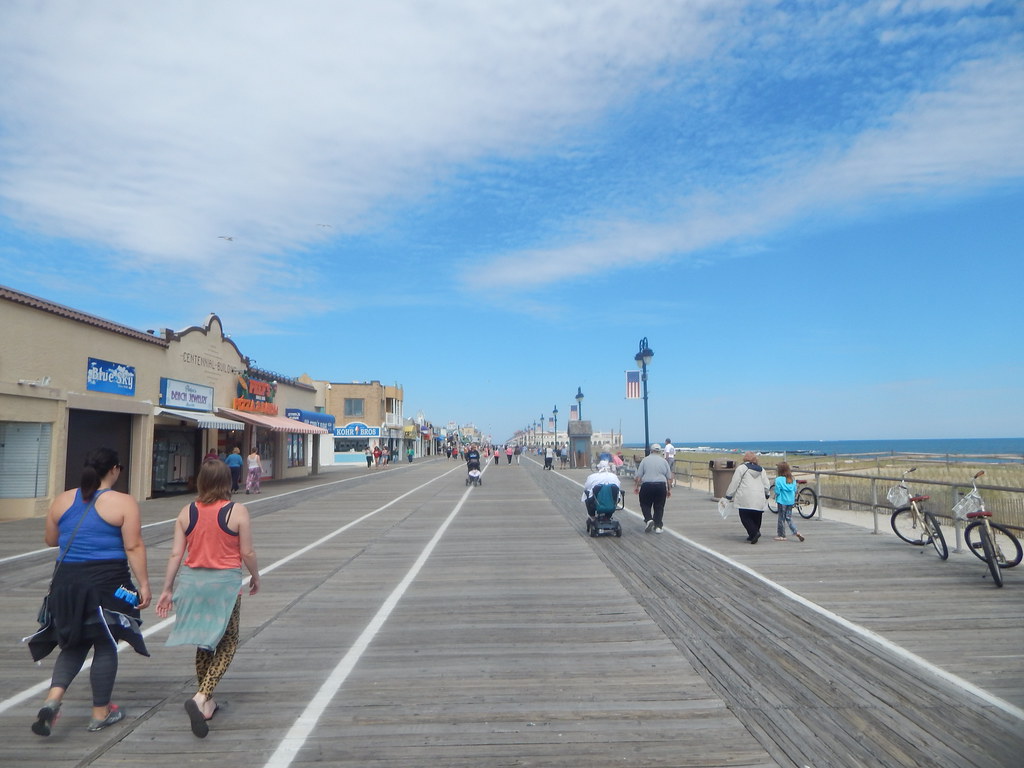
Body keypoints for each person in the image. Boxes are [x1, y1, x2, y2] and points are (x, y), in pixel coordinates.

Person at [28, 448, 151, 736]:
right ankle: (100, 712)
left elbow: (50, 540)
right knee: (107, 640)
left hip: (65, 585)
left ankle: (52, 700)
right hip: (109, 585)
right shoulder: (123, 502)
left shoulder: (62, 500)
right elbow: (133, 546)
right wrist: (144, 586)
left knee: (73, 642)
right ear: (115, 470)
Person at [156, 459, 261, 738]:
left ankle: (206, 702)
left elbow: (176, 554)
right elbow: (247, 552)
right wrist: (255, 576)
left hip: (191, 583)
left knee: (205, 640)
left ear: (201, 481)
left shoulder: (186, 511)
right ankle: (201, 696)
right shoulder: (236, 511)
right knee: (227, 641)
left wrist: (167, 588)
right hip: (223, 586)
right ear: (227, 482)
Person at [725, 451, 771, 544]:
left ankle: (754, 533)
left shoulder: (741, 468)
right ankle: (753, 534)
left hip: (745, 496)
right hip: (759, 496)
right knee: (757, 516)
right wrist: (767, 493)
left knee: (745, 516)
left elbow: (735, 482)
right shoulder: (761, 470)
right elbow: (766, 484)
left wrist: (729, 495)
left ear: (745, 459)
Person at [633, 443, 673, 533]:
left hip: (647, 485)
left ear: (651, 450)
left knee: (644, 504)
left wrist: (636, 487)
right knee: (659, 506)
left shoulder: (645, 460)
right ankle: (658, 526)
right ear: (660, 451)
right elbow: (669, 477)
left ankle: (649, 519)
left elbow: (638, 476)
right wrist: (669, 489)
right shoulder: (664, 461)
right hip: (661, 486)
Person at [773, 461, 805, 542]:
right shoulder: (791, 479)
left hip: (782, 501)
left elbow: (777, 491)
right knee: (789, 518)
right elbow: (794, 489)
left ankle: (781, 535)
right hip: (790, 501)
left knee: (781, 518)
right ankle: (796, 531)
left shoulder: (778, 479)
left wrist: (776, 495)